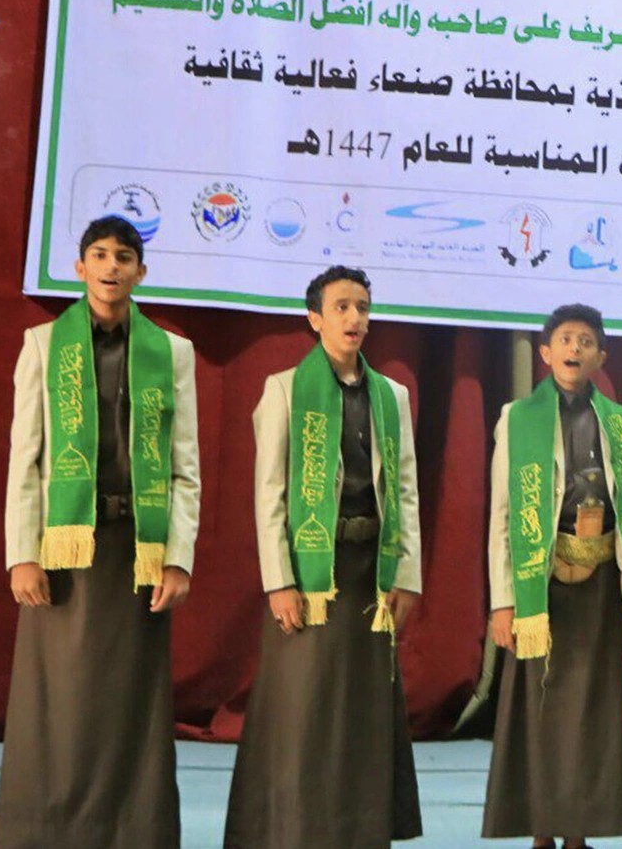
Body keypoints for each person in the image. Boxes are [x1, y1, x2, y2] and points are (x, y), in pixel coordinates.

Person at [0, 215, 201, 848]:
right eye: (101, 255)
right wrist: (22, 555)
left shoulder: (171, 353)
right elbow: (25, 459)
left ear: (142, 272)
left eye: (124, 257)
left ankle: (133, 834)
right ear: (80, 267)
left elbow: (184, 468)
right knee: (58, 705)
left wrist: (179, 559)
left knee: (131, 708)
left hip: (137, 555)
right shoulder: (42, 345)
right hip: (65, 554)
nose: (112, 267)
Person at [224, 265, 423, 849]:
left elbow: (405, 491)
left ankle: (358, 830)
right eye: (340, 307)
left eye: (362, 307)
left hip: (371, 575)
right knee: (304, 708)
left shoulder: (391, 396)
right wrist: (279, 582)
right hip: (313, 575)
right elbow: (269, 495)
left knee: (363, 711)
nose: (354, 318)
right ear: (315, 319)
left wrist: (407, 573)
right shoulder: (286, 389)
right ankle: (292, 830)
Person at [482, 304, 622, 849]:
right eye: (564, 339)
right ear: (545, 352)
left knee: (591, 716)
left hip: (599, 586)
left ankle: (578, 834)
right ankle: (541, 831)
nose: (574, 348)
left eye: (585, 341)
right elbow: (503, 515)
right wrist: (503, 601)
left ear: (601, 355)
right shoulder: (518, 418)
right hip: (540, 587)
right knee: (539, 712)